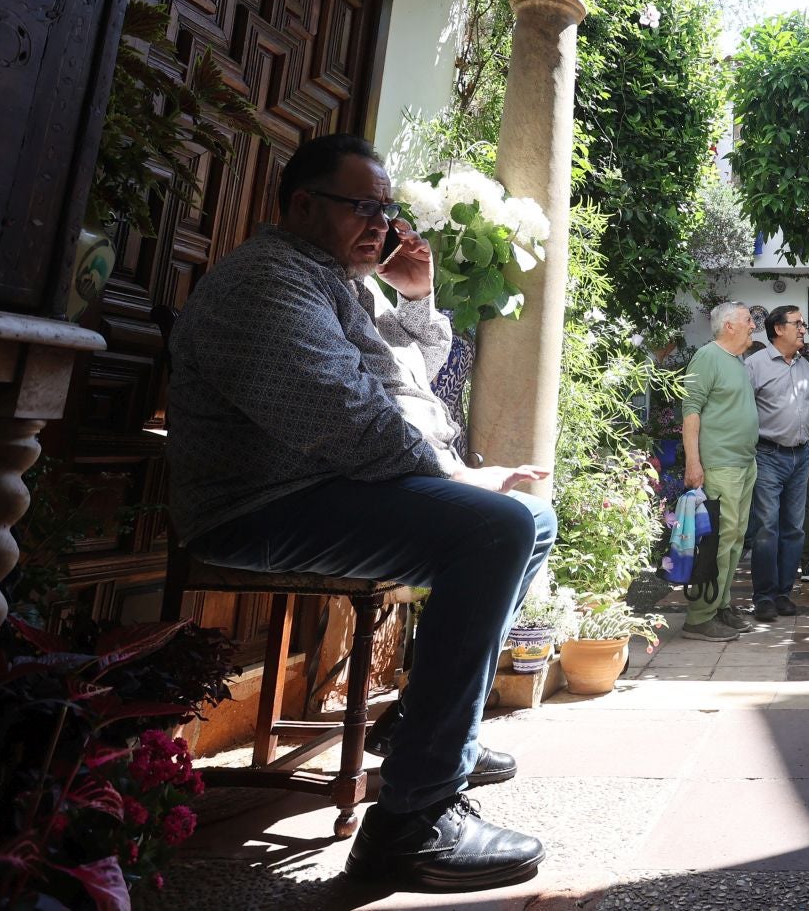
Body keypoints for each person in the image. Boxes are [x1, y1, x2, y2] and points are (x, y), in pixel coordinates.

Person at [164, 134, 555, 892]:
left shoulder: (335, 280)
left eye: (387, 209)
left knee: (528, 521)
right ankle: (412, 822)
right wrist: (461, 476)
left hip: (323, 488)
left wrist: (414, 296)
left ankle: (419, 730)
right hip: (260, 506)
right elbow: (346, 418)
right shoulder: (269, 283)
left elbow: (410, 381)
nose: (381, 224)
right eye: (362, 208)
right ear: (303, 205)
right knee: (497, 527)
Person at [680, 301, 760, 641]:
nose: (753, 325)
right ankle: (700, 617)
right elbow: (691, 410)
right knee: (717, 542)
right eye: (748, 320)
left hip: (744, 463)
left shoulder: (736, 360)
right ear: (729, 326)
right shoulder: (707, 357)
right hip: (720, 464)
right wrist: (693, 462)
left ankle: (720, 604)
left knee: (735, 540)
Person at [742, 307, 809, 622]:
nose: (803, 329)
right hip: (767, 454)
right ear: (778, 329)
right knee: (767, 528)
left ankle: (783, 594)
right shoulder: (755, 365)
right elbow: (742, 409)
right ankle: (763, 597)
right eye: (798, 324)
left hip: (801, 456)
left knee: (794, 528)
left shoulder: (805, 366)